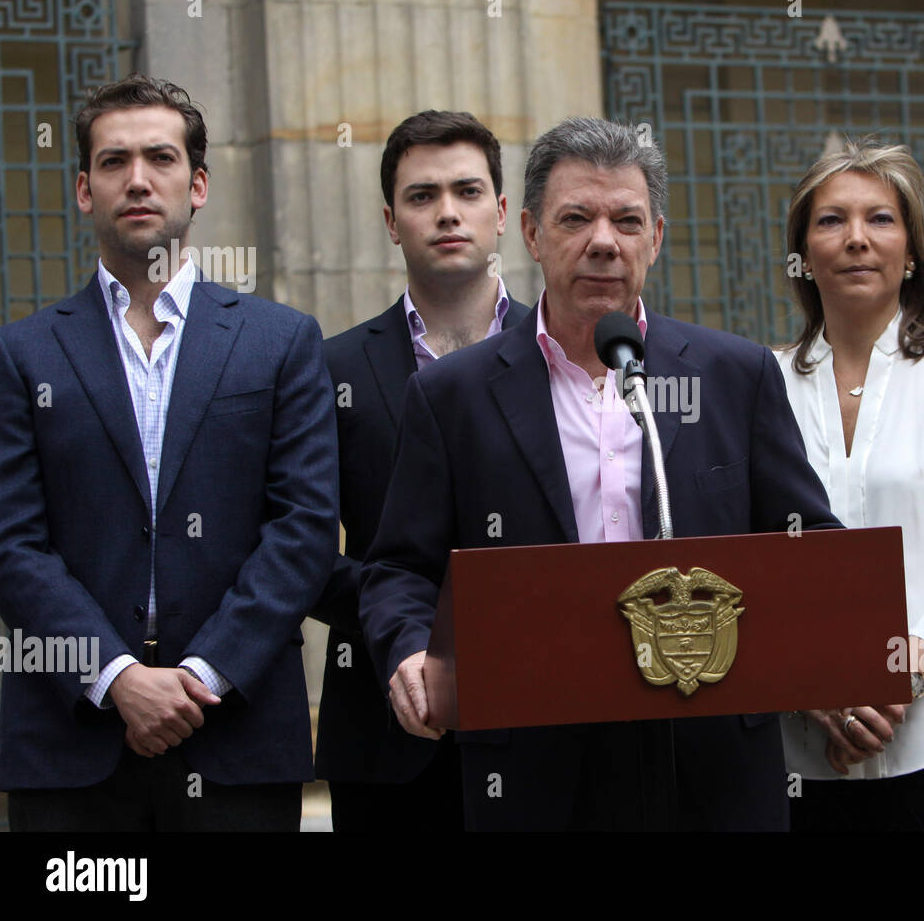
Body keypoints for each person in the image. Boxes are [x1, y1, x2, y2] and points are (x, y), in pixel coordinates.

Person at [359, 116, 839, 831]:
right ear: (529, 232)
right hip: (535, 765)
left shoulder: (735, 375)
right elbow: (399, 567)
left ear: (657, 237)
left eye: (626, 220)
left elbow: (808, 542)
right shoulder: (452, 395)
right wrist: (405, 650)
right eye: (576, 218)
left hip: (709, 761)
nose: (603, 242)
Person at [0, 73, 338, 830]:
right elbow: (11, 543)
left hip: (235, 734)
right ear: (85, 191)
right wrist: (115, 676)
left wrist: (199, 675)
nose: (138, 179)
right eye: (114, 162)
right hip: (71, 742)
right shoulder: (21, 355)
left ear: (199, 183)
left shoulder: (280, 344)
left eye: (160, 157)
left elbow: (305, 528)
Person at [776, 140, 924, 831]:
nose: (856, 238)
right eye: (831, 221)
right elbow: (756, 560)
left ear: (911, 251)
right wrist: (810, 685)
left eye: (880, 219)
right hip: (804, 753)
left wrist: (899, 677)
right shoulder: (765, 382)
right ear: (802, 254)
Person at [311, 110, 528, 832]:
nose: (446, 213)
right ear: (390, 220)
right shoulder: (328, 368)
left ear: (501, 214)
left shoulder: (566, 352)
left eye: (467, 192)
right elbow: (300, 544)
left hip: (547, 720)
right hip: (386, 729)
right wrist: (408, 631)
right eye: (421, 196)